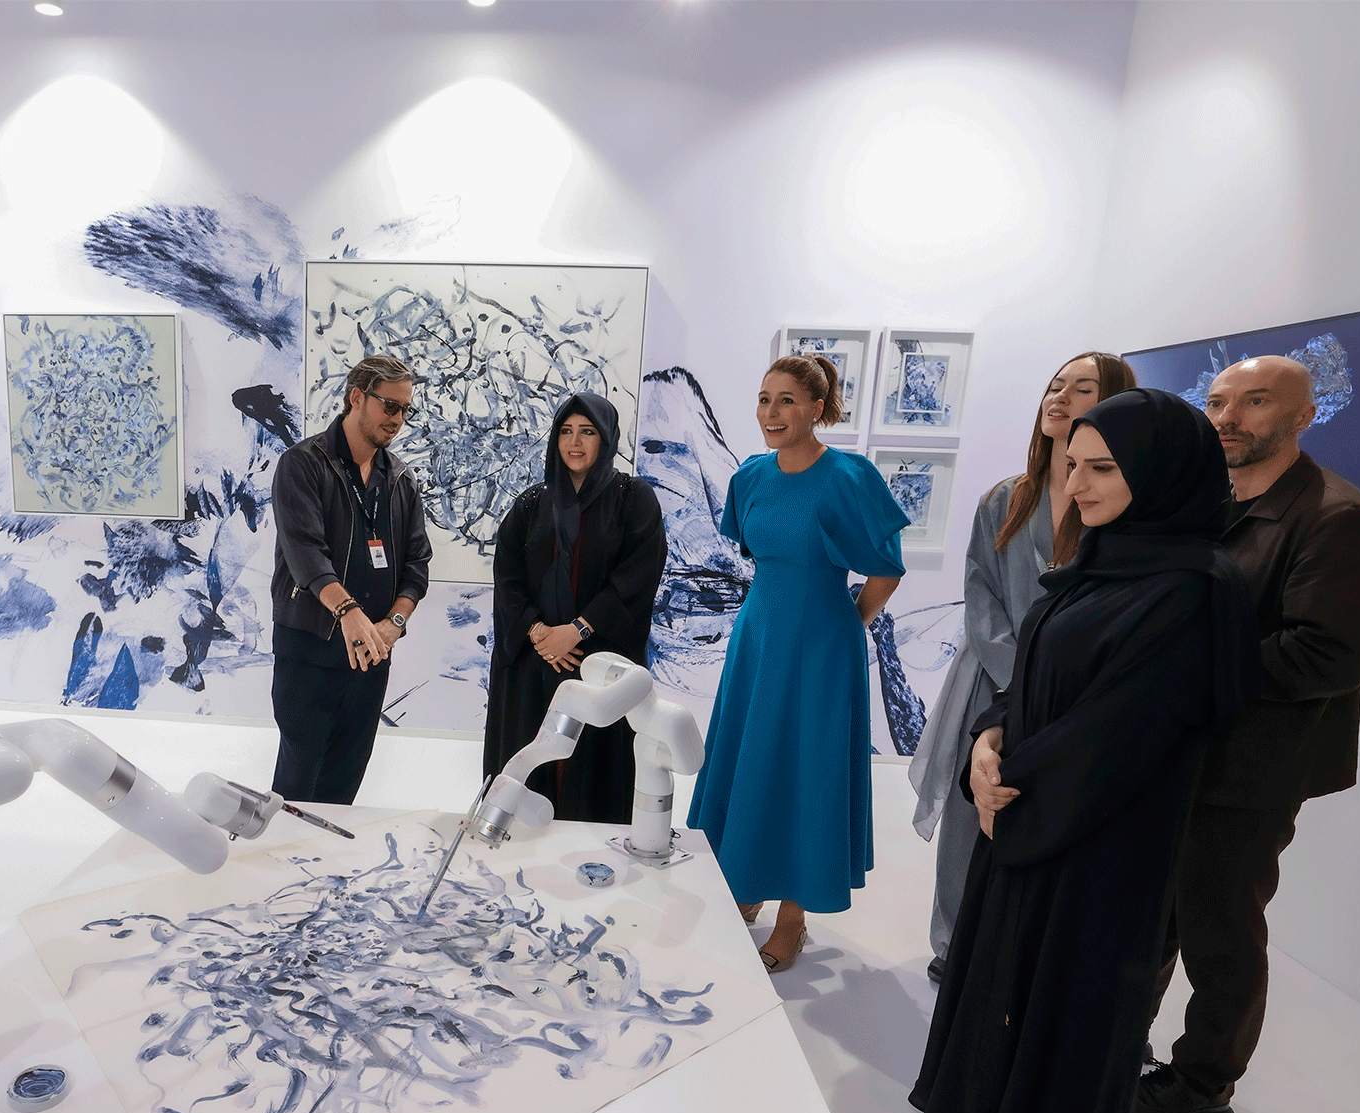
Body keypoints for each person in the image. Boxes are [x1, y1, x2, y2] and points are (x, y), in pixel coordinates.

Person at [910, 388, 1261, 1113]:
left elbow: (1119, 733)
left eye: (1102, 468)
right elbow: (1037, 680)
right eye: (1072, 465)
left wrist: (1009, 785)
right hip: (1033, 812)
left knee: (1068, 1001)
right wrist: (988, 742)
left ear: (1159, 474)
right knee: (1009, 981)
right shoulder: (1100, 562)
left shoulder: (1194, 590)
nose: (1077, 484)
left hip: (1100, 843)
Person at [1137, 356, 1360, 1113]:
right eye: (1217, 401)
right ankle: (1119, 1041)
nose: (1227, 417)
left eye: (1253, 402)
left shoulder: (1338, 517)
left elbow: (1329, 655)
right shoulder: (1212, 503)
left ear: (1304, 415)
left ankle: (1203, 1084)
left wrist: (1189, 664)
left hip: (1252, 767)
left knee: (1219, 928)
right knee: (1155, 912)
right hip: (1182, 751)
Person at [908, 353, 1137, 985]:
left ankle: (1018, 959)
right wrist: (1021, 677)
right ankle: (954, 946)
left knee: (1039, 816)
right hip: (993, 682)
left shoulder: (1121, 506)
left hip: (1074, 696)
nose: (1059, 398)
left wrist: (1052, 683)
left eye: (1082, 389)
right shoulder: (1006, 498)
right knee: (969, 817)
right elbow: (980, 590)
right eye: (1054, 386)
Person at [687, 355, 907, 973]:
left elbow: (886, 569)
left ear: (816, 408)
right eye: (764, 399)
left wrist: (848, 625)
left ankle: (793, 916)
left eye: (786, 400)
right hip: (758, 639)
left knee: (807, 768)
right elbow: (759, 555)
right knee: (756, 758)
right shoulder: (751, 476)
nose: (771, 412)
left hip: (821, 648)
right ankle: (749, 884)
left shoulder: (849, 476)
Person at [484, 393, 667, 821]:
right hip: (534, 662)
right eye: (566, 431)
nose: (575, 442)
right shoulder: (532, 504)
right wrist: (539, 633)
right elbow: (507, 577)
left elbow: (638, 576)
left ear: (607, 439)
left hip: (599, 664)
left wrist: (577, 629)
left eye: (587, 432)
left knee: (593, 777)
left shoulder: (634, 500)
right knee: (528, 771)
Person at [267, 355, 433, 803]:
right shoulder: (302, 464)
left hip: (371, 654)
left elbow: (417, 565)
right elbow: (306, 554)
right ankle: (283, 851)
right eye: (389, 406)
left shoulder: (400, 478)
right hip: (310, 648)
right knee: (298, 784)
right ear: (356, 398)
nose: (397, 419)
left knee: (345, 783)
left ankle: (327, 853)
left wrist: (393, 625)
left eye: (405, 409)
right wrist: (349, 613)